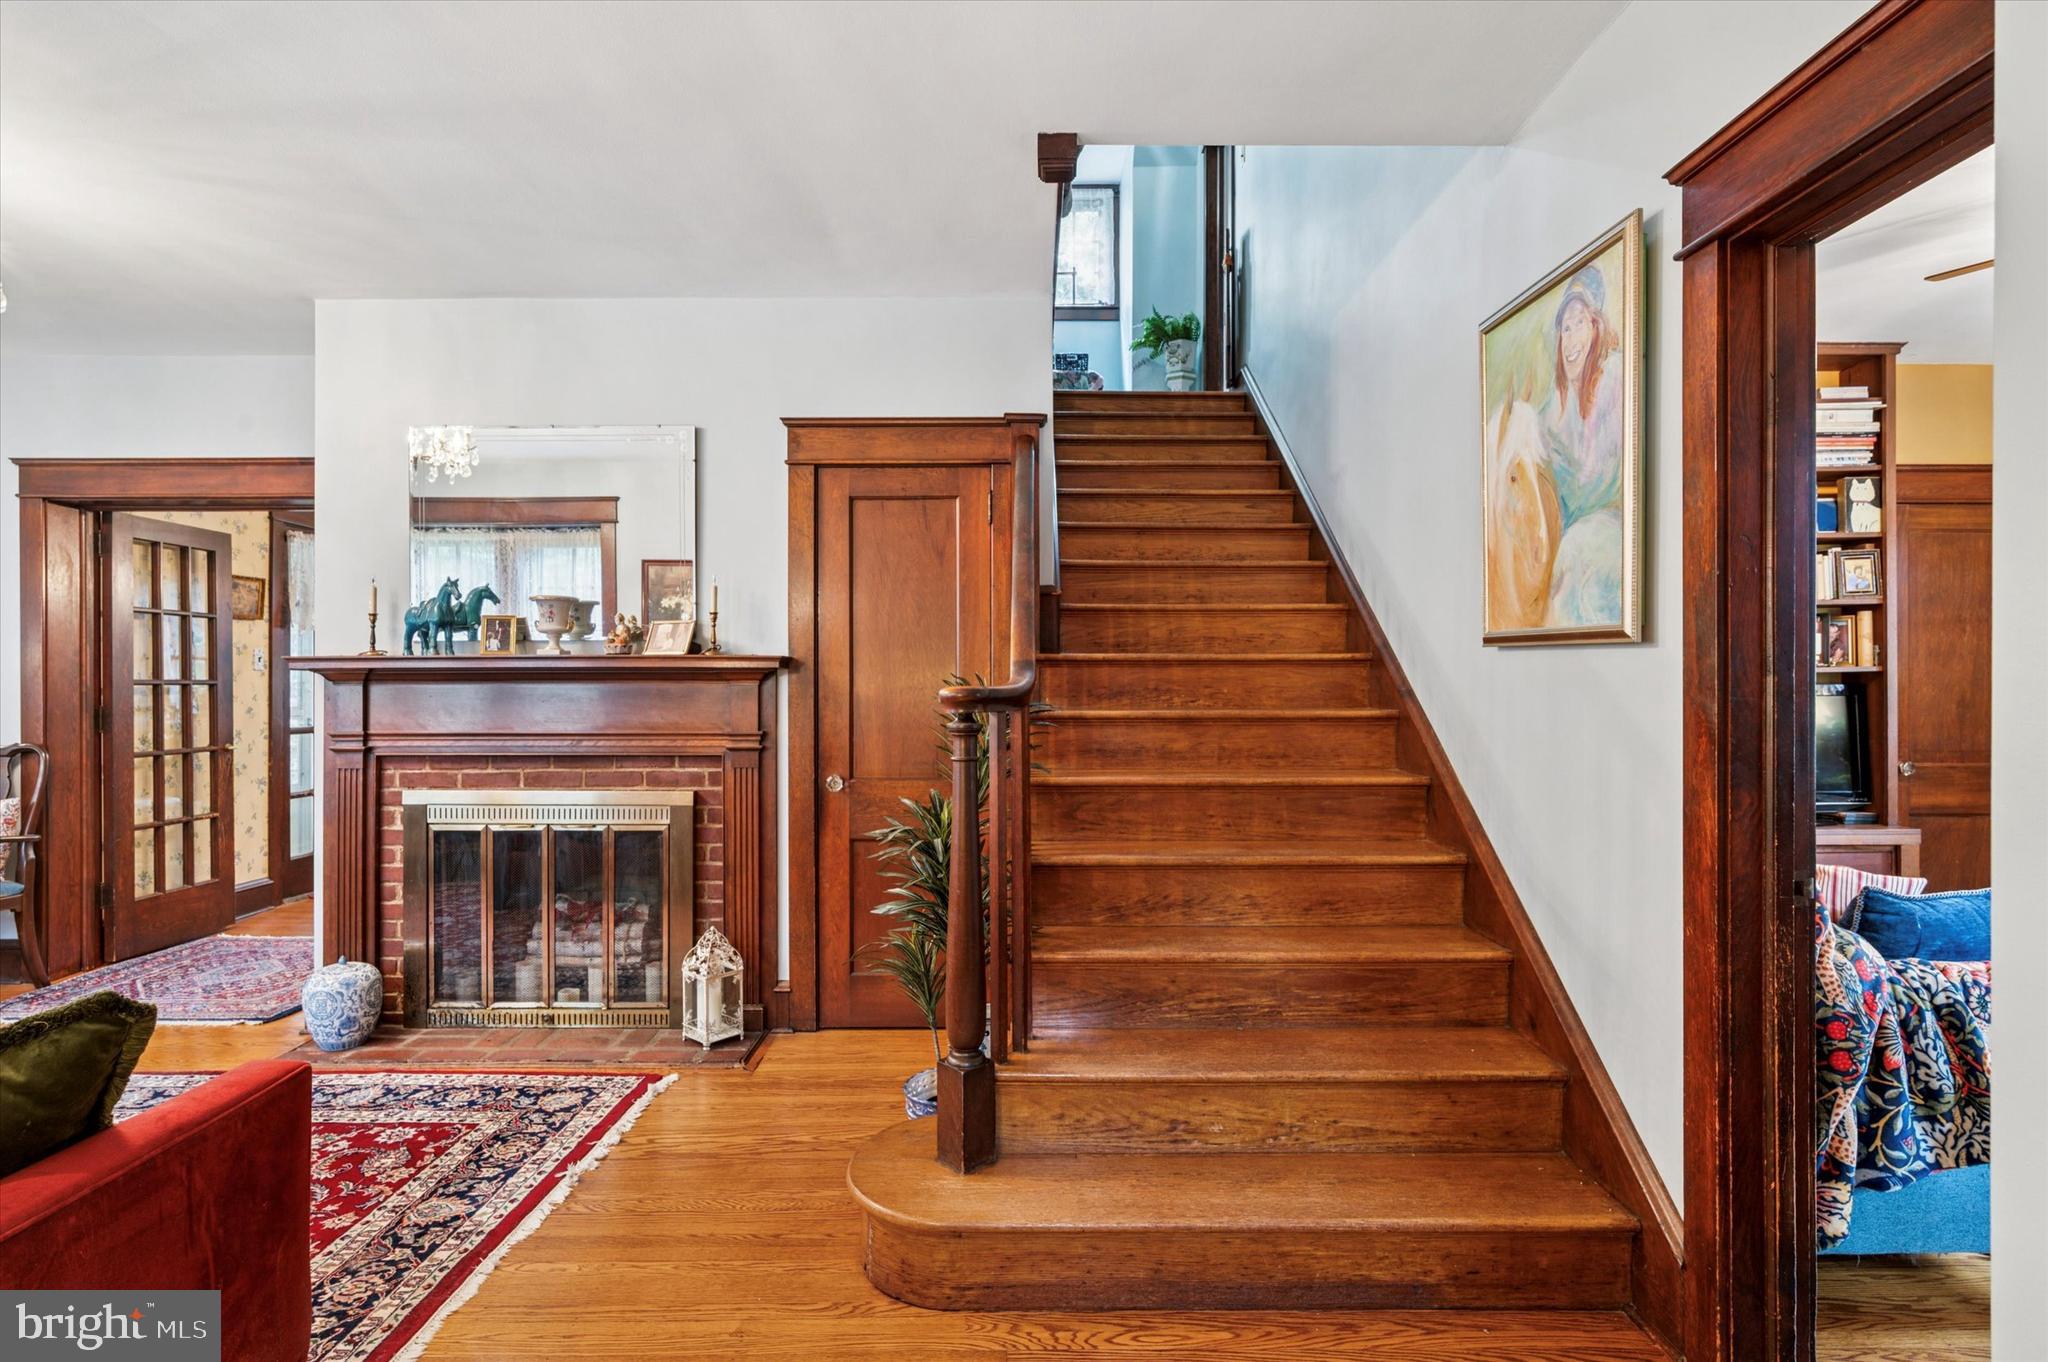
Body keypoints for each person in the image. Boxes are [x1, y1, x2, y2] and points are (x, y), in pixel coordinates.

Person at [1540, 264, 1625, 627]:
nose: (1570, 340)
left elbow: (1598, 479)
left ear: (1596, 326)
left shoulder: (1617, 379)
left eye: (1579, 323)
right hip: (1569, 534)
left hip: (1611, 525)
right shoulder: (1553, 410)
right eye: (1565, 328)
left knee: (1577, 552)